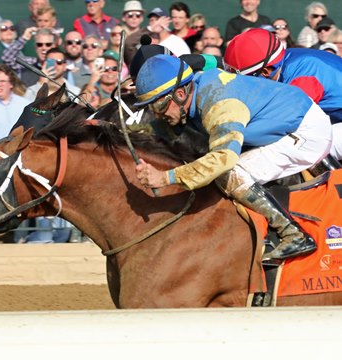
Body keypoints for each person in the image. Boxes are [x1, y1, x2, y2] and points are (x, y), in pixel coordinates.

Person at [134, 54, 332, 262]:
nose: (156, 114)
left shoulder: (219, 104)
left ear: (180, 93)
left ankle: (294, 234)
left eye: (157, 106)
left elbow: (223, 158)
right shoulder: (198, 89)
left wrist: (166, 178)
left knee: (229, 173)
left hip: (305, 134)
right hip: (286, 118)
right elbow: (157, 127)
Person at [223, 28, 342, 161]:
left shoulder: (303, 74)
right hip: (335, 118)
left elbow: (285, 121)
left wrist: (231, 136)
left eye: (246, 78)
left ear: (265, 72)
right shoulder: (282, 62)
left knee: (309, 145)